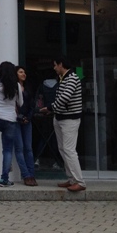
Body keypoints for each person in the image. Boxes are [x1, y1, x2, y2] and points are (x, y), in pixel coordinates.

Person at [40, 55, 85, 192]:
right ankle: (71, 179)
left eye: (55, 65)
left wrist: (49, 108)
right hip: (61, 117)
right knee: (63, 149)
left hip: (69, 119)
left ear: (61, 64)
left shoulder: (72, 78)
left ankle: (79, 181)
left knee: (69, 150)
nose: (54, 68)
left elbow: (65, 97)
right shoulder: (63, 78)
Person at [0, 61, 31, 187]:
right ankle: (4, 179)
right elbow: (21, 103)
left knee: (4, 140)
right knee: (7, 150)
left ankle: (4, 178)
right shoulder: (16, 86)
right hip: (10, 120)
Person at [15, 66, 38, 186]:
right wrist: (19, 116)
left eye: (24, 72)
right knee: (19, 148)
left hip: (27, 120)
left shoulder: (28, 88)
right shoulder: (13, 88)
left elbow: (32, 104)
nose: (23, 74)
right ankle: (26, 175)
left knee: (28, 148)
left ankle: (31, 174)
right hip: (16, 120)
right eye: (20, 72)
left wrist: (28, 117)